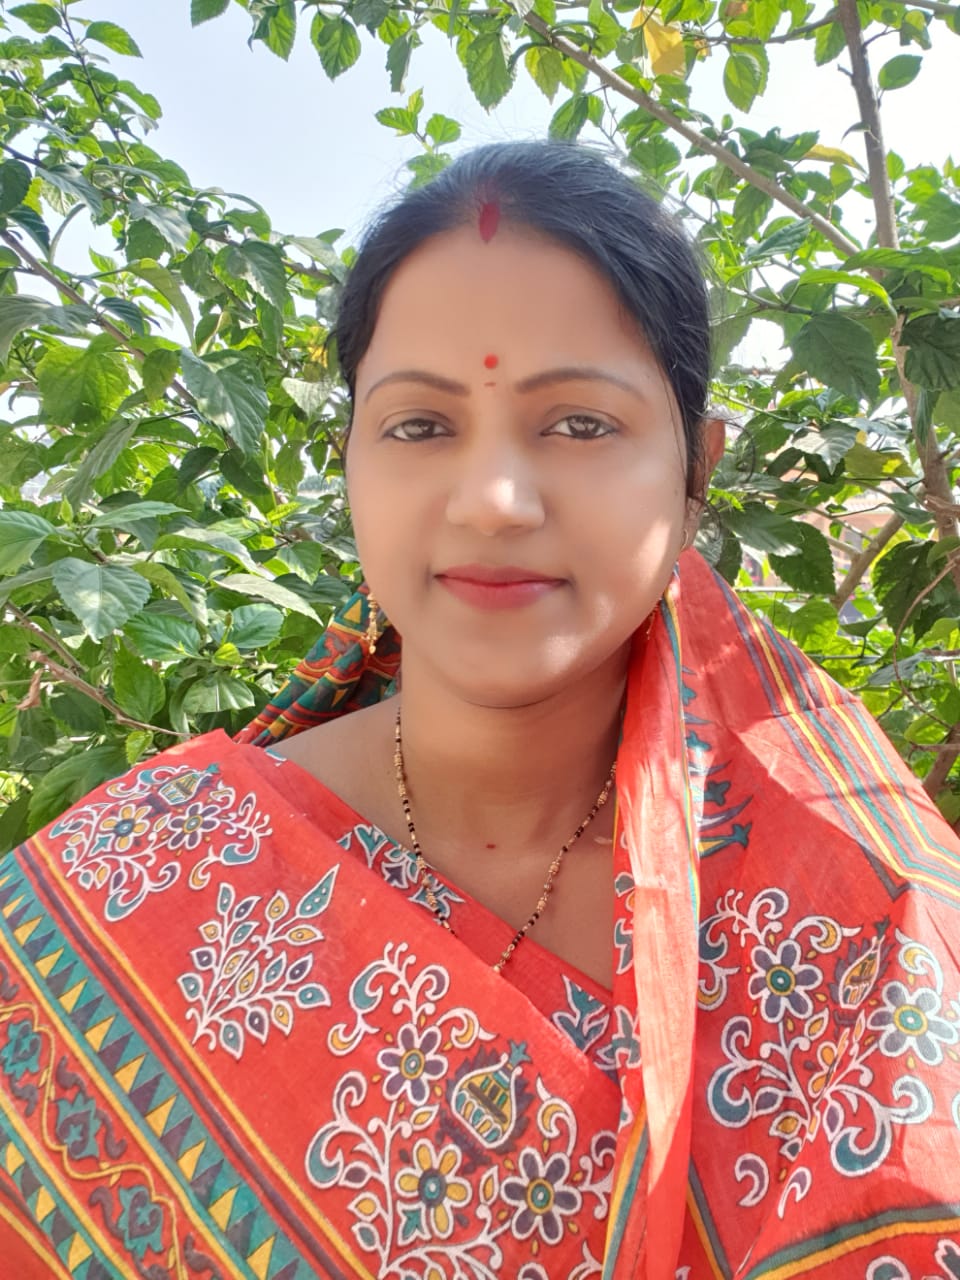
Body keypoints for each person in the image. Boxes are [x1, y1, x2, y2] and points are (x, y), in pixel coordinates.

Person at [1, 140, 958, 1280]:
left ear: (696, 467)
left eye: (580, 424)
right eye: (419, 425)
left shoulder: (867, 921)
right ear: (349, 459)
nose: (494, 501)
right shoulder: (141, 878)